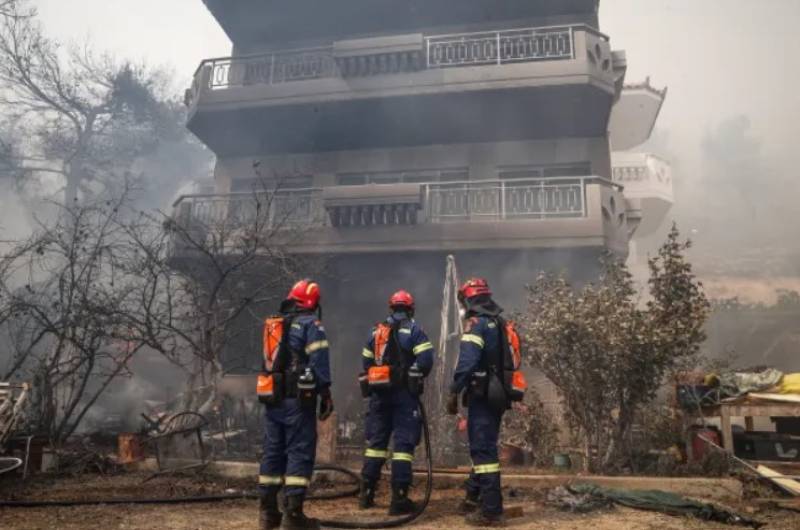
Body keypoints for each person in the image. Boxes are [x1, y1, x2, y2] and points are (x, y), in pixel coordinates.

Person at [257, 279, 334, 530]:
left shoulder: (273, 324)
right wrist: (326, 394)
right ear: (312, 302)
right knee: (299, 452)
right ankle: (294, 516)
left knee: (273, 451)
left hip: (272, 399)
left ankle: (268, 514)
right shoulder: (311, 324)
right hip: (298, 402)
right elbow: (319, 361)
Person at [446, 278, 523, 527]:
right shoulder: (499, 322)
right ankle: (473, 496)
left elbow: (467, 361)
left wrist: (454, 390)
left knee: (483, 451)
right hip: (499, 393)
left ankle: (491, 511)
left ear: (471, 300)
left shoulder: (476, 324)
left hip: (483, 394)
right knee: (484, 444)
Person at [359, 290, 434, 515]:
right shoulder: (415, 330)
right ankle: (399, 499)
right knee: (403, 447)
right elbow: (426, 361)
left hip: (379, 396)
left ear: (391, 308)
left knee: (376, 446)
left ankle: (366, 494)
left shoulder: (376, 332)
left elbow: (365, 362)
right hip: (404, 396)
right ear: (410, 309)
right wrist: (414, 375)